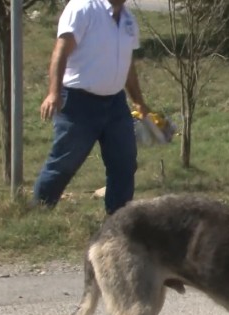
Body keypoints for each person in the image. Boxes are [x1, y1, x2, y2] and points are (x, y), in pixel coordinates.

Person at [33, 0, 150, 215]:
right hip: (78, 104)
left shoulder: (128, 20)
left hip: (115, 104)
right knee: (63, 164)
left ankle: (119, 223)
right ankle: (36, 215)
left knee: (124, 164)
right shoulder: (83, 7)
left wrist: (138, 101)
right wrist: (53, 93)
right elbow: (61, 51)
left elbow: (128, 65)